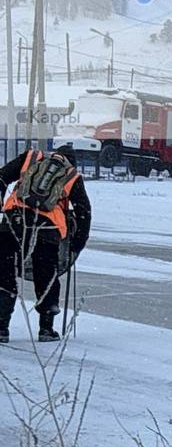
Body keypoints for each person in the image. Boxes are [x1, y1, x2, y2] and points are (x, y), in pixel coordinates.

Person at [0, 144, 92, 343]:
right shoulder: (72, 176)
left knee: (5, 272)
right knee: (47, 276)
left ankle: (1, 328)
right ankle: (46, 329)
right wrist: (77, 244)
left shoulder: (32, 157)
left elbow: (1, 177)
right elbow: (84, 212)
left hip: (13, 221)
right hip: (47, 230)